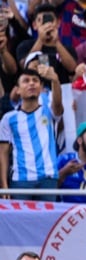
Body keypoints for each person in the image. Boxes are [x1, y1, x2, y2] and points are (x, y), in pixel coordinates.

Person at [0, 65, 63, 200]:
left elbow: (58, 107)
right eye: (26, 81)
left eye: (35, 80)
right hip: (21, 180)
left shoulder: (48, 112)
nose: (31, 83)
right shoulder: (8, 119)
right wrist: (4, 184)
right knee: (19, 220)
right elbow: (3, 153)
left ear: (41, 88)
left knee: (47, 220)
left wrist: (55, 81)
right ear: (17, 90)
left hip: (48, 177)